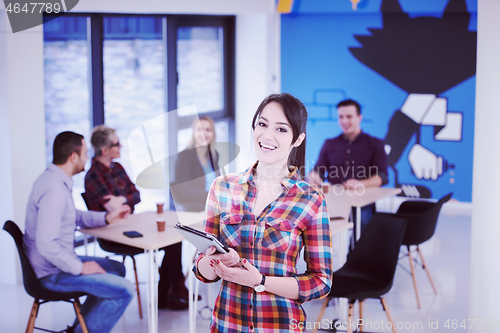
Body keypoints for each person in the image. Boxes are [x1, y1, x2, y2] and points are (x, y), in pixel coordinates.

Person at [193, 93, 333, 332]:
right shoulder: (222, 187)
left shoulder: (311, 200)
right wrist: (214, 261)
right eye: (262, 124)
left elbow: (321, 283)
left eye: (281, 129)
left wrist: (261, 282)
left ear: (297, 139)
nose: (267, 135)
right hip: (226, 323)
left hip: (280, 325)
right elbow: (200, 270)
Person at [23, 131, 135, 333]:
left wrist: (106, 218)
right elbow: (46, 244)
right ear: (73, 157)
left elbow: (72, 215)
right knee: (124, 290)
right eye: (84, 153)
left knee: (116, 269)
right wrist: (80, 267)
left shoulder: (52, 180)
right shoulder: (55, 191)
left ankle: (81, 327)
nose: (87, 158)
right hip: (51, 273)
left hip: (54, 264)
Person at [84, 125, 189, 310]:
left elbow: (136, 195)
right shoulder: (93, 175)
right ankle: (175, 291)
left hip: (131, 224)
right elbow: (112, 209)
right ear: (104, 150)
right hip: (114, 235)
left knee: (173, 240)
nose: (121, 146)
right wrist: (122, 202)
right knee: (170, 241)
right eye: (116, 144)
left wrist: (122, 199)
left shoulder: (117, 168)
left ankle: (169, 293)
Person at [308, 99, 388, 233]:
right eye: (341, 117)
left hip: (362, 203)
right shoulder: (329, 144)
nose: (344, 121)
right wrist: (313, 176)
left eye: (349, 116)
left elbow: (383, 177)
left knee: (363, 226)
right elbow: (318, 170)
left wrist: (362, 184)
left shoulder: (375, 144)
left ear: (359, 117)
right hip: (334, 201)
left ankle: (358, 254)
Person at [171, 116, 221, 212]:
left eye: (208, 130)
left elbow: (218, 182)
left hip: (213, 207)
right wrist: (212, 196)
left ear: (213, 133)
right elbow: (183, 191)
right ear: (193, 132)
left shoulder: (213, 155)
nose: (204, 133)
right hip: (195, 210)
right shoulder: (185, 156)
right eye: (199, 129)